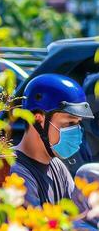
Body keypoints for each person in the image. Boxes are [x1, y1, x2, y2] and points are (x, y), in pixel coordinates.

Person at [10, 73, 93, 209]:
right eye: (69, 123)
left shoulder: (57, 166)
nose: (76, 131)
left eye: (78, 123)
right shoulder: (15, 172)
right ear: (38, 119)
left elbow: (75, 218)